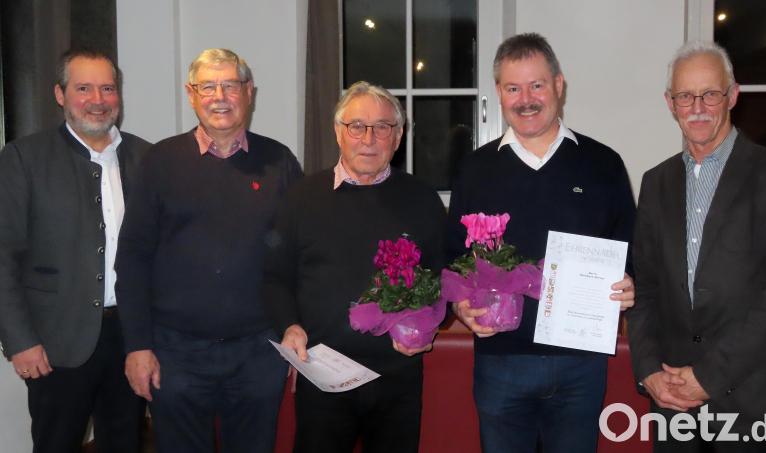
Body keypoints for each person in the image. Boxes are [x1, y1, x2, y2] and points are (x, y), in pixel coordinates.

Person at [446, 33, 636, 453]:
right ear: (499, 92)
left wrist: (630, 283)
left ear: (559, 85)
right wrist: (460, 305)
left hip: (580, 365)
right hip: (500, 363)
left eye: (537, 85)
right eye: (513, 88)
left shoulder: (603, 163)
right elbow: (454, 257)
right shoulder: (475, 169)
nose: (526, 99)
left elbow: (632, 249)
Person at [114, 48, 302, 452]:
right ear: (191, 94)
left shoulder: (280, 162)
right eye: (208, 86)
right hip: (176, 354)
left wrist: (295, 327)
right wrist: (137, 346)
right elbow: (131, 257)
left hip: (258, 352)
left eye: (231, 85)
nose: (220, 96)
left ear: (249, 91)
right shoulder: (159, 161)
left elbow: (299, 257)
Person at [627, 41, 766, 452]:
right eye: (685, 96)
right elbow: (646, 287)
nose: (698, 107)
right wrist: (649, 370)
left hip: (750, 402)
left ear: (733, 95)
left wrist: (708, 377)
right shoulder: (657, 183)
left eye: (710, 93)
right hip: (673, 404)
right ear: (670, 103)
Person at [265, 81, 446, 453]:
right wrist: (289, 325)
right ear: (337, 132)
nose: (369, 138)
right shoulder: (301, 197)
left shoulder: (423, 199)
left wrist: (429, 325)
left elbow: (441, 282)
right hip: (322, 375)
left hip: (397, 378)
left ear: (397, 137)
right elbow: (275, 276)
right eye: (356, 126)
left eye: (382, 127)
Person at [0, 48, 149, 453]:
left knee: (125, 442)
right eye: (83, 88)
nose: (98, 100)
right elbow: (3, 255)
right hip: (54, 341)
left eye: (107, 88)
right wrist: (18, 340)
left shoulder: (146, 157)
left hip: (130, 336)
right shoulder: (22, 158)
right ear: (60, 94)